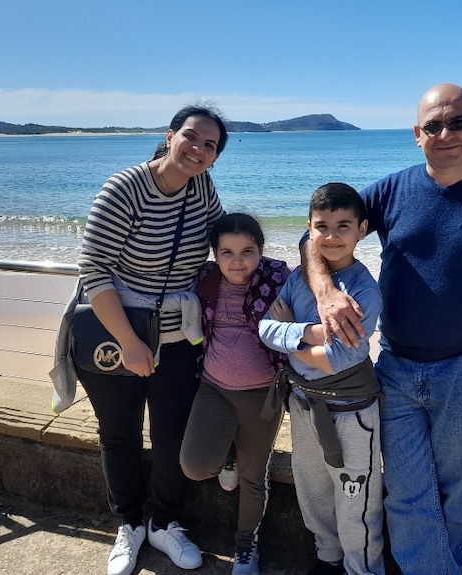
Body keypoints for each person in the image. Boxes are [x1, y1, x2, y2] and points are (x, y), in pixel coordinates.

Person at [304, 84, 462, 574]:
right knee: (406, 495)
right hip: (398, 369)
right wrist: (325, 290)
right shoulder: (391, 192)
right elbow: (317, 233)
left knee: (455, 495)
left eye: (457, 122)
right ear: (417, 134)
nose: (446, 133)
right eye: (434, 125)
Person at [75, 105, 228, 575]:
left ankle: (164, 523)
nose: (198, 150)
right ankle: (129, 525)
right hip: (114, 332)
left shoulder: (201, 188)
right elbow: (94, 270)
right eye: (191, 137)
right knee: (118, 434)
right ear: (169, 136)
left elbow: (225, 241)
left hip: (177, 338)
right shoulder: (124, 188)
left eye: (210, 146)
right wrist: (130, 343)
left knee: (171, 437)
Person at [259, 183, 385, 575]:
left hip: (351, 413)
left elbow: (338, 360)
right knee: (312, 489)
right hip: (302, 403)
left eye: (343, 226)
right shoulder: (299, 279)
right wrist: (312, 333)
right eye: (322, 226)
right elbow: (264, 328)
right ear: (308, 230)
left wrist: (290, 333)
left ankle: (361, 568)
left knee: (357, 500)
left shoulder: (364, 290)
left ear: (362, 230)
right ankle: (327, 560)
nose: (331, 236)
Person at [179, 213, 290, 575]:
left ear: (261, 251)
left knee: (252, 476)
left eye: (247, 251)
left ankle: (247, 544)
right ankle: (226, 456)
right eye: (226, 252)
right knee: (195, 466)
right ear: (214, 253)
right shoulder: (205, 279)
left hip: (262, 395)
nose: (237, 261)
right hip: (214, 388)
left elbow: (317, 279)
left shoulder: (280, 279)